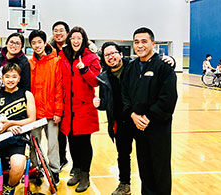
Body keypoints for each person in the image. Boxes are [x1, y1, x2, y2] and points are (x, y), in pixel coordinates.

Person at [94, 42, 175, 195]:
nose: (111, 57)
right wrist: (99, 104)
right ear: (103, 59)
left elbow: (153, 64)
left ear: (120, 54)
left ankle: (151, 188)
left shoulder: (133, 66)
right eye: (107, 55)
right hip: (120, 120)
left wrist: (171, 60)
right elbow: (105, 102)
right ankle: (124, 184)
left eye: (113, 53)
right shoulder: (103, 77)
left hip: (137, 119)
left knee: (146, 156)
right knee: (123, 155)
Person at [121, 27, 177, 195]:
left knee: (160, 170)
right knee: (144, 169)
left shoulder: (164, 68)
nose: (140, 45)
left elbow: (168, 100)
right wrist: (132, 114)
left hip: (158, 128)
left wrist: (148, 118)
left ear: (153, 43)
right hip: (138, 127)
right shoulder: (130, 68)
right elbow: (124, 95)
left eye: (144, 41)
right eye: (136, 42)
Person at [59, 26, 101, 193]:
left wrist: (84, 69)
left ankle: (85, 175)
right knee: (72, 143)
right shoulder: (63, 56)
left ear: (84, 40)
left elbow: (96, 81)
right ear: (69, 40)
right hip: (68, 108)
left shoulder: (91, 58)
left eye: (79, 38)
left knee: (84, 143)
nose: (76, 41)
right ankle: (76, 171)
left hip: (83, 108)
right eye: (73, 38)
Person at [0, 63, 36, 195]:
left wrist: (12, 124)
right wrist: (6, 128)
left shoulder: (27, 94)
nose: (11, 80)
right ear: (2, 78)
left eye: (14, 76)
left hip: (20, 138)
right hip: (1, 137)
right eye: (7, 76)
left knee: (18, 166)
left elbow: (32, 119)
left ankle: (9, 186)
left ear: (19, 78)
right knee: (5, 164)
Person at [28, 30, 63, 185]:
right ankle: (35, 171)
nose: (37, 45)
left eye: (39, 42)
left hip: (51, 112)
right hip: (34, 113)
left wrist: (58, 111)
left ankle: (54, 171)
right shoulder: (30, 63)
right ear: (31, 45)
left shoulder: (55, 61)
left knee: (53, 145)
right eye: (34, 43)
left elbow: (58, 88)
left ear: (45, 43)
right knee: (33, 144)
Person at [51, 21, 71, 171]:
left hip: (71, 95)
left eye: (61, 30)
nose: (58, 33)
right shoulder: (48, 49)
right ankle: (62, 158)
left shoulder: (73, 49)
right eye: (55, 31)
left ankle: (77, 165)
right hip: (55, 95)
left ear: (67, 33)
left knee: (72, 131)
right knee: (58, 132)